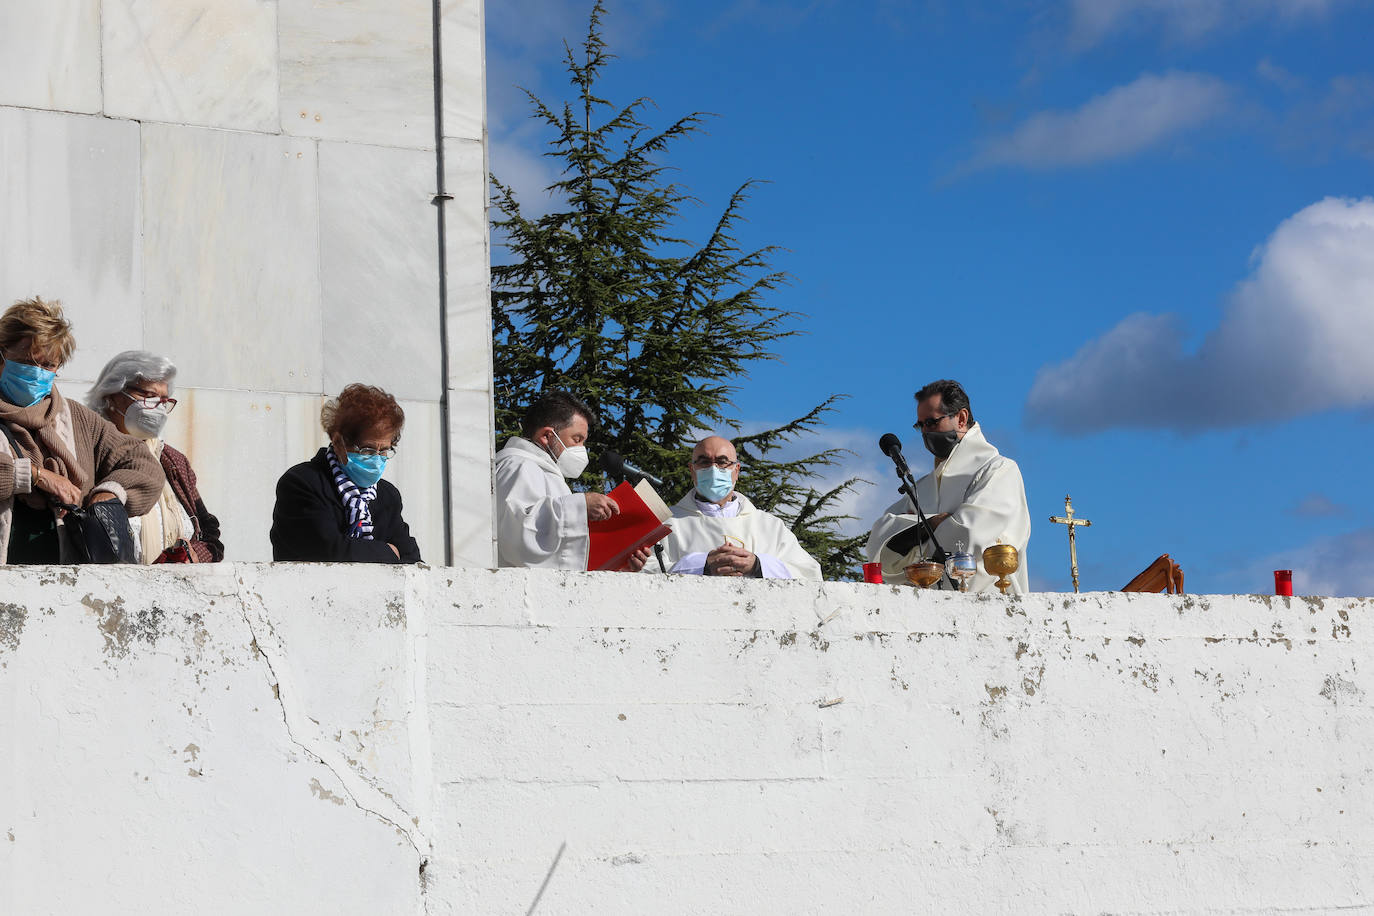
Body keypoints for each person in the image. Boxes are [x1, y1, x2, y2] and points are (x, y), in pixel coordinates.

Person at [0, 296, 165, 563]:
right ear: (2, 355)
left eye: (48, 365)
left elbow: (143, 464)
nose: (37, 372)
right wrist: (36, 475)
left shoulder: (76, 417)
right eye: (27, 362)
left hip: (70, 587)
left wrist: (109, 492)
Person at [866, 379, 1030, 593]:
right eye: (920, 425)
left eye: (932, 422)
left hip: (990, 603)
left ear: (961, 418)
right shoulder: (922, 487)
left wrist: (915, 545)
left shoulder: (998, 471)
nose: (926, 431)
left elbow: (971, 536)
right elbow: (878, 543)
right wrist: (931, 524)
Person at [87, 351, 224, 563]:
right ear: (112, 396)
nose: (158, 408)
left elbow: (209, 535)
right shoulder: (88, 451)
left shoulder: (172, 460)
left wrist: (194, 555)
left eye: (164, 400)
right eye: (149, 396)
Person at [494, 390, 650, 571]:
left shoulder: (546, 474)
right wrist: (581, 506)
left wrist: (620, 564)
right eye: (577, 439)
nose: (582, 449)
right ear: (547, 436)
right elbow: (518, 536)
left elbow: (562, 554)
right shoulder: (518, 466)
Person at [270, 383, 420, 563]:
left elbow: (411, 557)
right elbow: (329, 550)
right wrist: (388, 552)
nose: (377, 459)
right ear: (339, 443)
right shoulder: (302, 483)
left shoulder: (387, 495)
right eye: (368, 450)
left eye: (384, 451)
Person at [650, 435, 822, 580]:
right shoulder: (665, 522)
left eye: (722, 462)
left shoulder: (770, 526)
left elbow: (810, 575)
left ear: (736, 470)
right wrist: (701, 566)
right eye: (704, 462)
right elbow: (640, 571)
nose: (713, 469)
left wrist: (758, 565)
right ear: (692, 470)